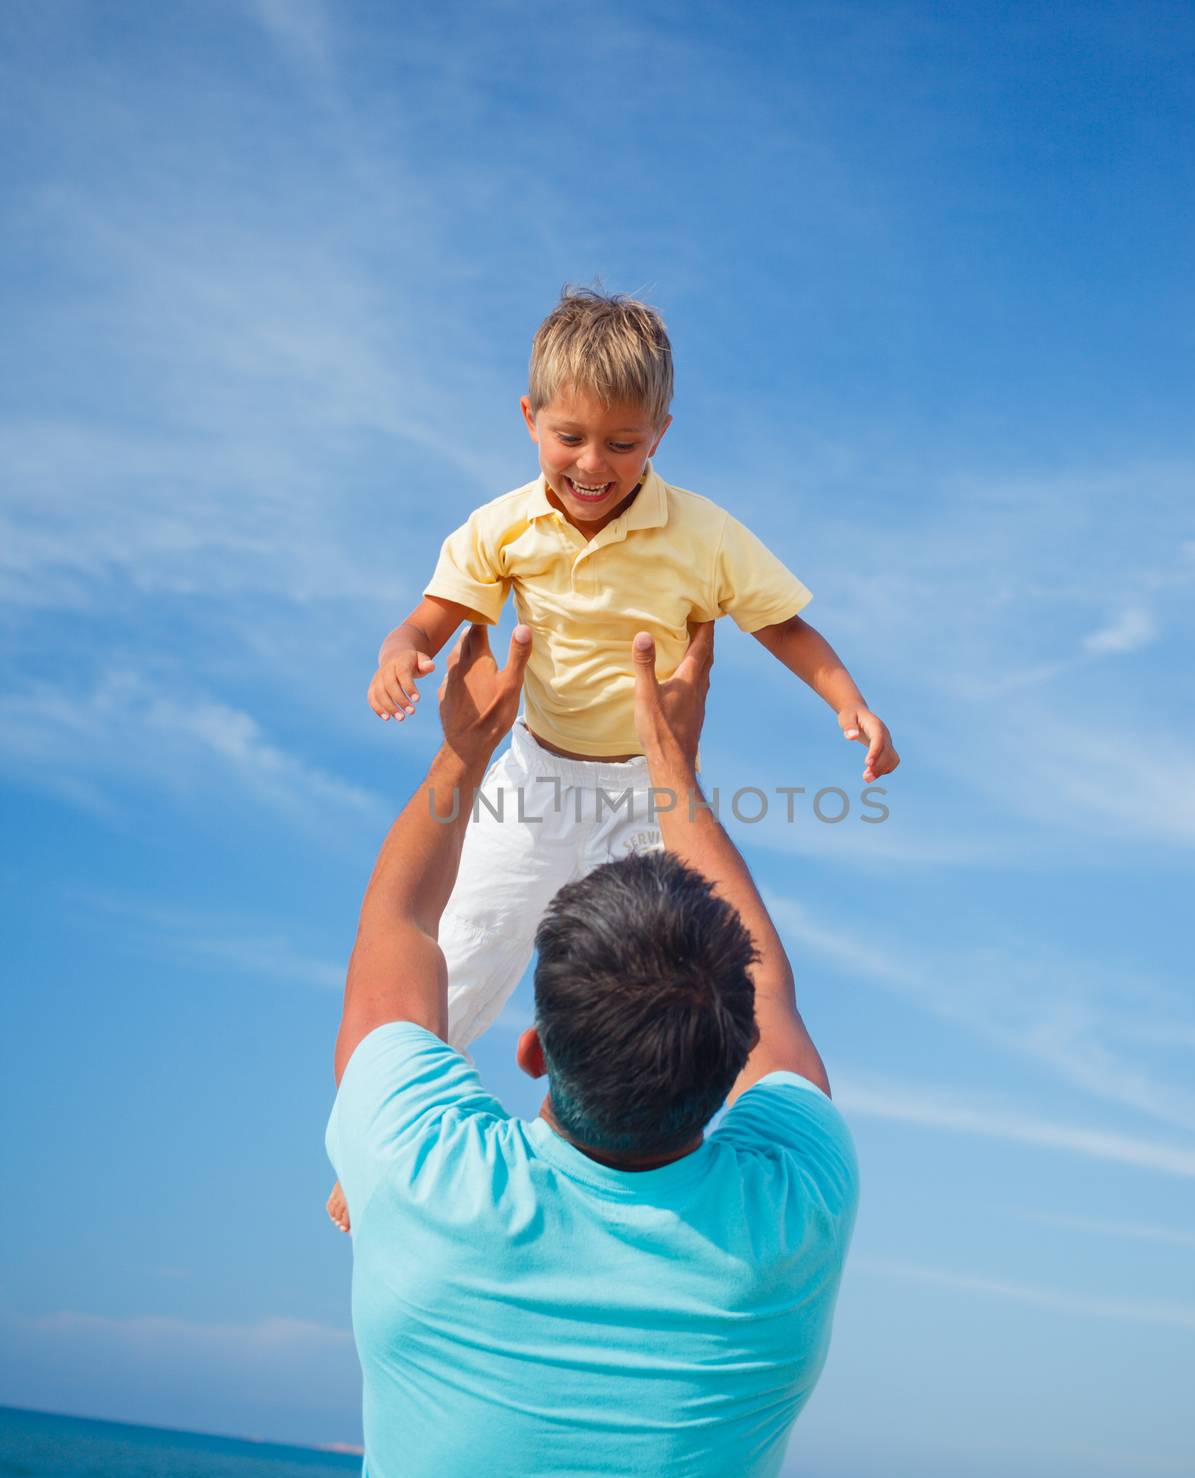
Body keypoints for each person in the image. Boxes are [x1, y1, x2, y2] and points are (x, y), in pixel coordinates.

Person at [327, 286, 895, 1232]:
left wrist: (852, 703)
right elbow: (436, 612)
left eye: (624, 445)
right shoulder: (501, 526)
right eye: (571, 438)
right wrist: (402, 651)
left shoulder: (702, 534)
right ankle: (370, 1148)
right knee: (465, 949)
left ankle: (662, 1164)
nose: (595, 465)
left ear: (661, 435)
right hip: (535, 778)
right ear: (530, 420)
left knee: (673, 983)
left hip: (645, 789)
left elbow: (782, 623)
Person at [326, 618, 858, 1478]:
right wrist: (671, 766)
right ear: (731, 1060)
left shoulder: (427, 1177)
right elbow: (769, 992)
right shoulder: (794, 1211)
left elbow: (396, 927)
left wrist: (468, 746)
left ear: (528, 1048)